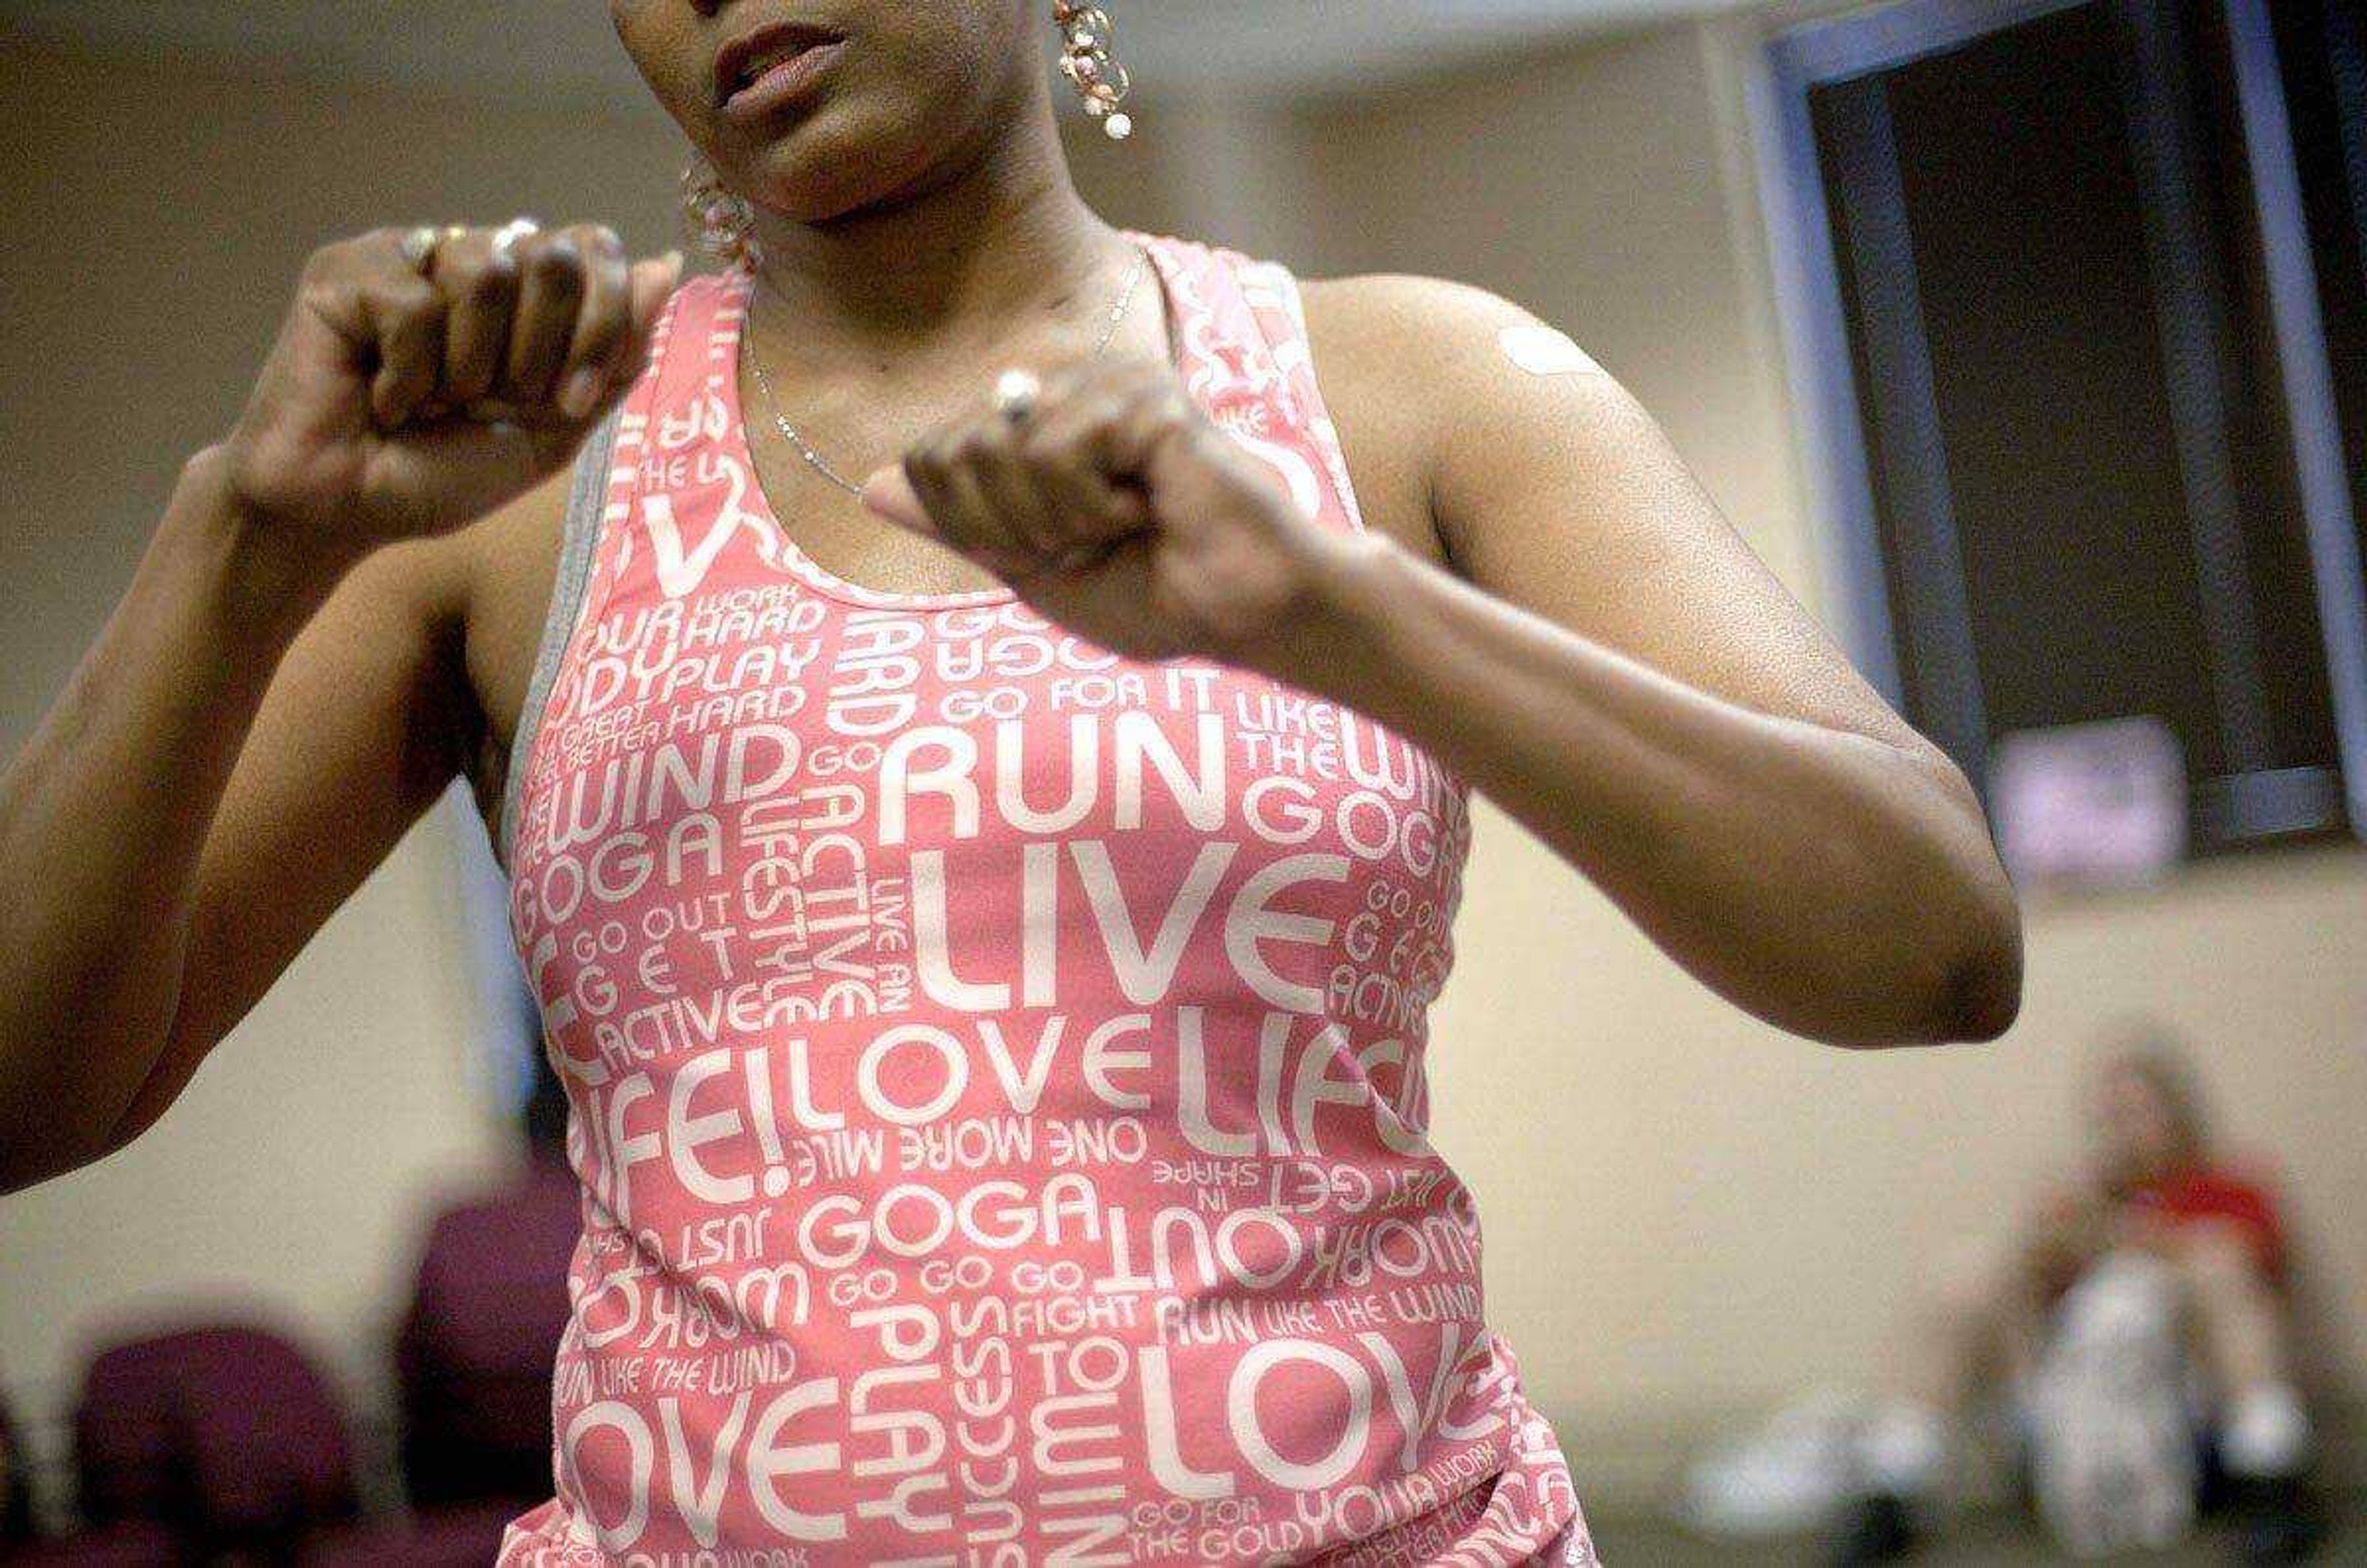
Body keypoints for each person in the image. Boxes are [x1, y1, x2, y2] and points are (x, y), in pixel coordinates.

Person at [0, 1, 2023, 1559]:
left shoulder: (1410, 387)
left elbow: (1929, 943)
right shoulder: (528, 487)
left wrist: (1336, 612)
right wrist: (245, 540)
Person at [1829, 1031, 2326, 1564]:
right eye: (2107, 1118)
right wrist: (2054, 1250)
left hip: (2187, 1438)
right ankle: (1894, 1484)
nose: (2120, 1131)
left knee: (2215, 1260)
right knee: (1966, 1272)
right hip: (2067, 1436)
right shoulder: (2076, 1204)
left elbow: (2259, 1278)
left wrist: (2134, 1236)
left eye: (2136, 1113)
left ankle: (2274, 1477)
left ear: (2176, 1116)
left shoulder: (2228, 1189)